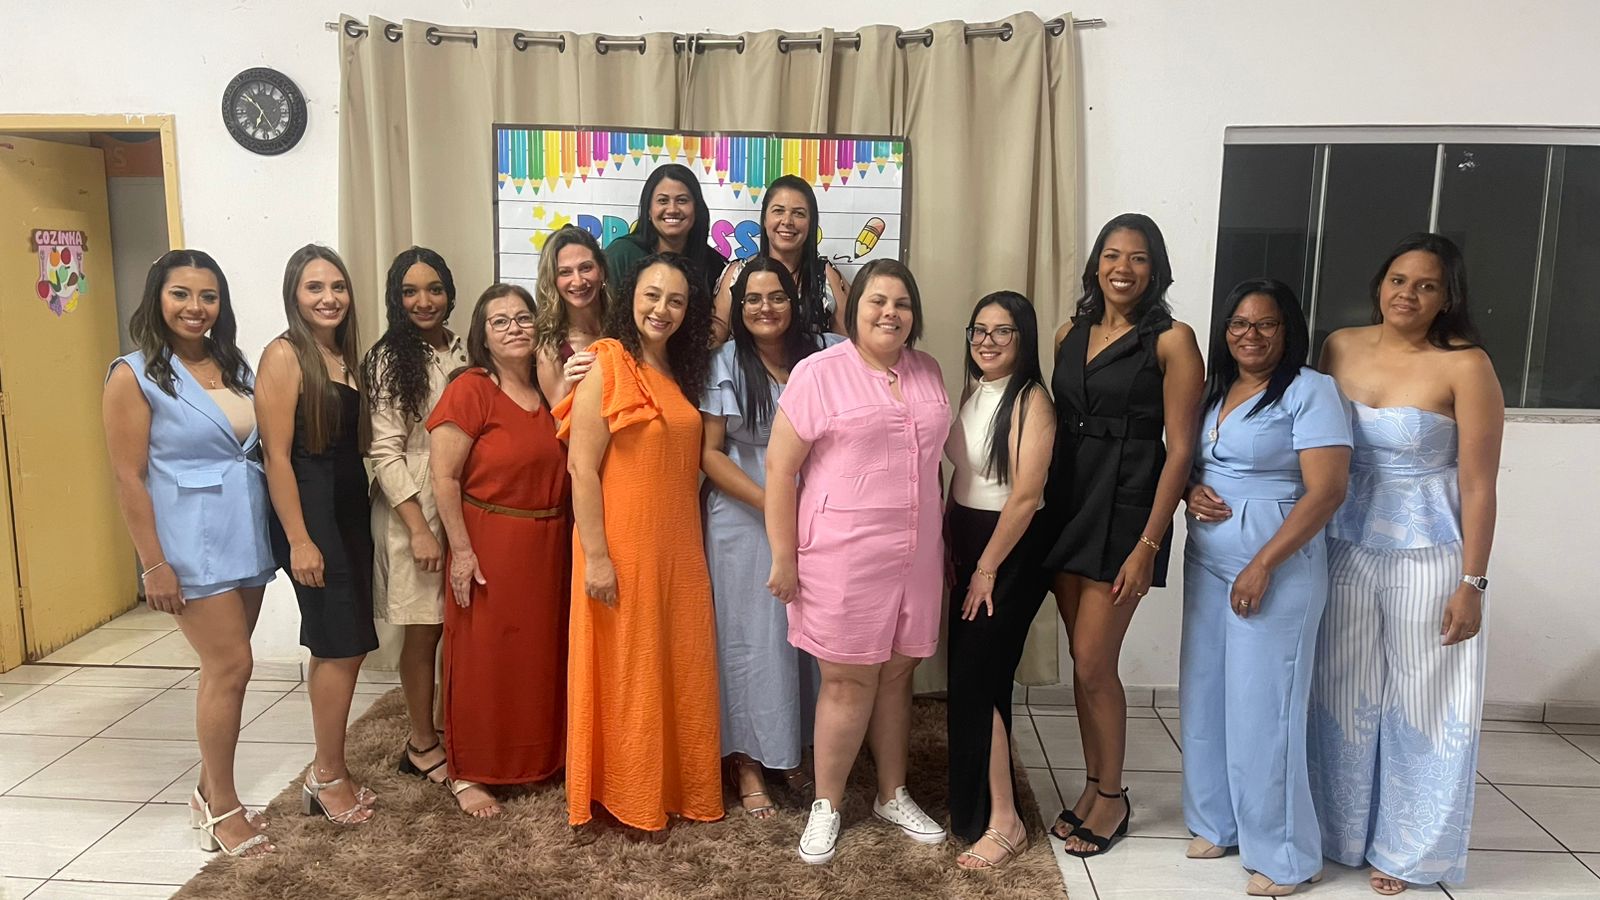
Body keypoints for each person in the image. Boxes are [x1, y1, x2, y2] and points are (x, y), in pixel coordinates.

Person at [1308, 233, 1503, 896]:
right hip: (1341, 544)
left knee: (1424, 698)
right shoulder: (1339, 346)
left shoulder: (1467, 366)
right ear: (1380, 284)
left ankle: (1410, 848)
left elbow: (1479, 484)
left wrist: (1472, 583)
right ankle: (1338, 832)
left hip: (1429, 553)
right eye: (1398, 280)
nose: (1408, 295)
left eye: (1426, 286)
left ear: (1448, 298)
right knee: (1340, 692)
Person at [766, 258, 951, 865]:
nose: (890, 313)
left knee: (898, 674)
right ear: (853, 309)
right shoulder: (819, 373)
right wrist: (783, 557)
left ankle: (892, 794)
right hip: (843, 556)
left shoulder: (928, 371)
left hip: (917, 555)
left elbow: (935, 464)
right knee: (847, 681)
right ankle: (827, 803)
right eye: (877, 301)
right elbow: (780, 470)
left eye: (902, 303)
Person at [1179, 279, 1352, 896]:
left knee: (1264, 709)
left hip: (1276, 567)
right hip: (1206, 558)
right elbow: (1192, 461)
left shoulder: (1310, 391)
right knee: (1206, 696)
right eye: (1238, 324)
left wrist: (1263, 565)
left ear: (1287, 330)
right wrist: (1189, 490)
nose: (1250, 335)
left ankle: (1285, 856)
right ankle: (1216, 821)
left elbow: (1327, 491)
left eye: (1265, 324)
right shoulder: (1215, 389)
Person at [102, 250, 277, 858]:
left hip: (247, 532)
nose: (195, 308)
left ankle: (209, 791)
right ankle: (220, 807)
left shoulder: (236, 366)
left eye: (208, 296)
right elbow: (128, 477)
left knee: (231, 669)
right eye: (181, 294)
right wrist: (153, 563)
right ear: (158, 298)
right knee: (230, 667)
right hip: (188, 544)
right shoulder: (133, 375)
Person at [1044, 213, 1204, 857]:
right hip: (1067, 502)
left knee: (1094, 661)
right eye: (1112, 255)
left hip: (1127, 509)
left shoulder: (1172, 340)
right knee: (1083, 665)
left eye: (1138, 258)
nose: (1123, 268)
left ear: (1155, 269)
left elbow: (1181, 448)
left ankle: (1113, 797)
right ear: (1096, 264)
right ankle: (1092, 786)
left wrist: (1149, 544)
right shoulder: (1068, 333)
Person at [557, 253, 722, 831]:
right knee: (628, 670)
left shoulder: (680, 370)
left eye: (676, 300)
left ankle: (676, 786)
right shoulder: (608, 362)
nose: (662, 309)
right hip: (620, 545)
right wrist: (598, 558)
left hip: (678, 547)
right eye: (652, 295)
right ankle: (627, 792)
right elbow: (581, 468)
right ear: (630, 296)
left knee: (679, 665)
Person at [700, 256, 839, 819]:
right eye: (752, 298)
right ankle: (747, 761)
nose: (765, 308)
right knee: (750, 640)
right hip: (744, 514)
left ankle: (793, 748)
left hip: (819, 515)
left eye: (776, 296)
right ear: (738, 307)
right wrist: (776, 506)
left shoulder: (825, 354)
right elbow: (710, 454)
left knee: (804, 637)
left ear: (794, 301)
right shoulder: (724, 361)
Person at [427, 284, 571, 817]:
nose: (514, 328)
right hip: (489, 542)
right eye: (500, 321)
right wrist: (461, 552)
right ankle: (469, 771)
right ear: (482, 336)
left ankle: (538, 759)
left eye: (522, 317)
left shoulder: (550, 387)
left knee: (538, 657)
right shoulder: (471, 390)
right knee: (483, 658)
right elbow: (444, 477)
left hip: (549, 542)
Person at [255, 244, 377, 827]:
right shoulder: (284, 355)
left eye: (338, 286)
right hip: (311, 513)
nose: (329, 298)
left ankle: (330, 768)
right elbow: (276, 457)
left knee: (345, 642)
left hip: (348, 509)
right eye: (314, 288)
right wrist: (300, 539)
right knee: (338, 643)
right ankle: (326, 775)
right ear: (294, 296)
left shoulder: (342, 355)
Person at [944, 290, 1056, 871]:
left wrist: (986, 568)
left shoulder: (1032, 399)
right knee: (972, 678)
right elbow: (963, 475)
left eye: (1002, 331)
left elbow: (1027, 496)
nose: (987, 342)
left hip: (1009, 547)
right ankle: (977, 808)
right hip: (967, 536)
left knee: (977, 680)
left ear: (1023, 338)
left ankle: (1006, 822)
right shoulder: (975, 389)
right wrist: (948, 540)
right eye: (979, 330)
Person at [361, 247, 467, 794]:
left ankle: (451, 728)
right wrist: (419, 529)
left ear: (450, 292)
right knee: (423, 629)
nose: (424, 301)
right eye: (410, 291)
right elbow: (384, 452)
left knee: (457, 625)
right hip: (414, 504)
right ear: (395, 299)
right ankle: (421, 743)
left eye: (434, 289)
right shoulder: (388, 358)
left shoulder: (464, 347)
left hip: (462, 498)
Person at [710, 175, 851, 344]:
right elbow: (714, 341)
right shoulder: (737, 275)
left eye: (798, 213)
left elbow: (847, 348)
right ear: (764, 218)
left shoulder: (826, 276)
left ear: (811, 223)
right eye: (778, 211)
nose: (787, 221)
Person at [603, 163, 727, 306]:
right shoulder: (622, 255)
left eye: (682, 200)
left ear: (696, 209)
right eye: (663, 201)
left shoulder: (713, 265)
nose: (672, 209)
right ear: (649, 210)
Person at [534, 225, 610, 405]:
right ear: (552, 280)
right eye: (565, 272)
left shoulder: (626, 324)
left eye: (586, 268)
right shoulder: (550, 349)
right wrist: (566, 385)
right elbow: (559, 419)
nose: (578, 281)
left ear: (602, 271)